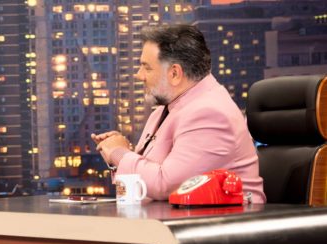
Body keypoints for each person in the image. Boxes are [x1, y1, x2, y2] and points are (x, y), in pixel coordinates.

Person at [93, 24, 265, 203]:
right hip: (171, 216)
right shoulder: (163, 111)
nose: (139, 75)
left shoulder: (210, 113)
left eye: (147, 68)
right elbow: (145, 186)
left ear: (175, 73)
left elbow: (166, 185)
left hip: (223, 219)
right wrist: (114, 155)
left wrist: (119, 153)